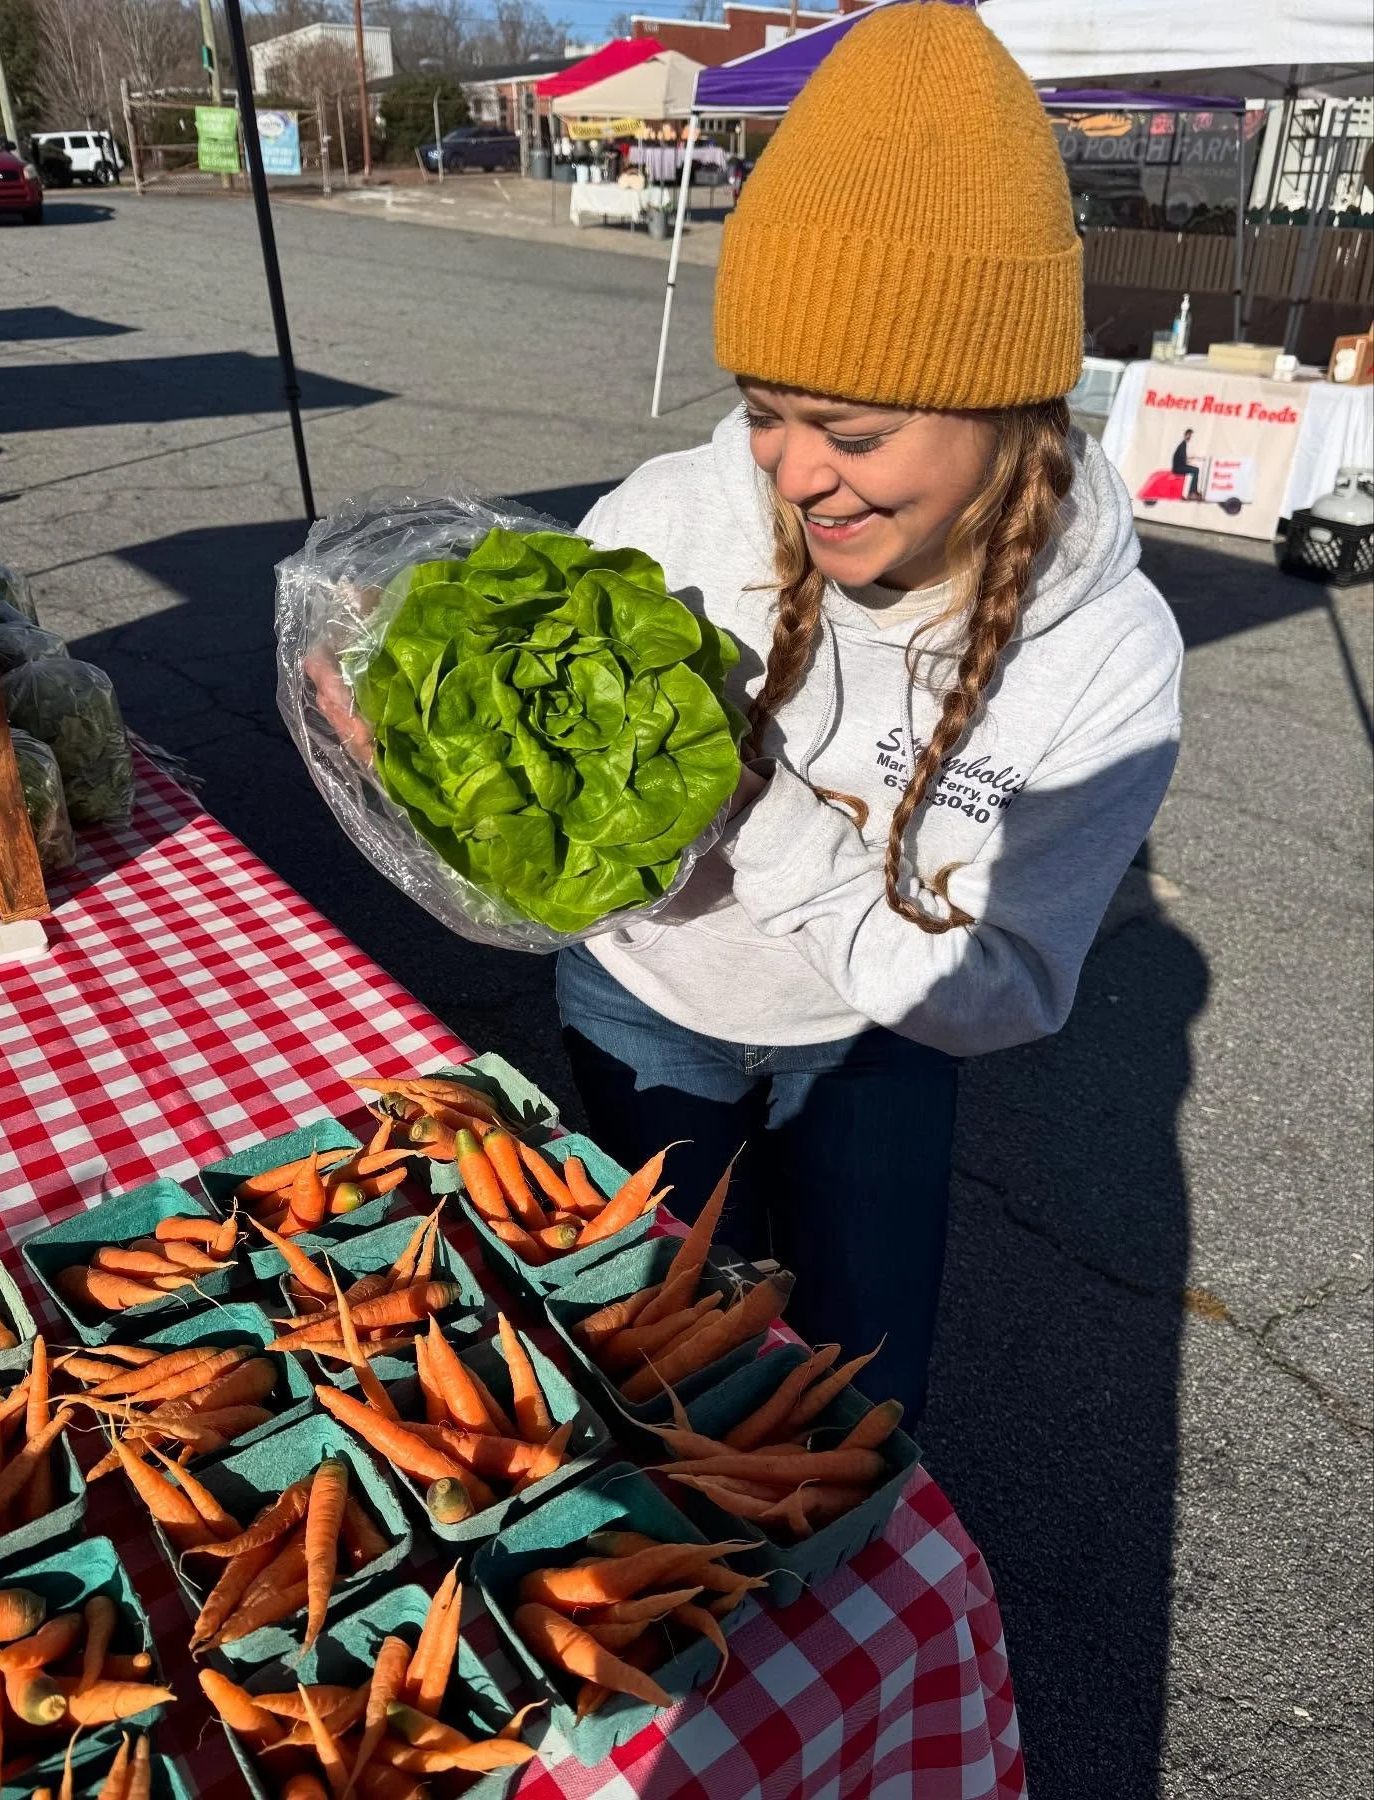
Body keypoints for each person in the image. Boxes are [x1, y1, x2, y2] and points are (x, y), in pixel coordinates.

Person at [555, 2, 1184, 1428]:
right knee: (669, 1375)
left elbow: (1001, 986)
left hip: (877, 1037)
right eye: (764, 411)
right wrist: (416, 755)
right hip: (646, 999)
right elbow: (543, 811)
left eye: (853, 432)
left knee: (855, 1399)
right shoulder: (668, 517)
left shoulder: (1107, 655)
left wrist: (756, 812)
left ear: (1009, 409)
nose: (793, 475)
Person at [1172, 428, 1199, 497]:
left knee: (1195, 469)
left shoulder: (1183, 444)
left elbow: (1183, 458)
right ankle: (1192, 492)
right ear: (1185, 435)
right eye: (1189, 435)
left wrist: (1191, 458)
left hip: (1180, 466)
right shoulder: (1182, 445)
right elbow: (1184, 460)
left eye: (1190, 435)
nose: (1190, 437)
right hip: (1178, 468)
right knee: (1196, 470)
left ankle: (1193, 491)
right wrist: (1190, 461)